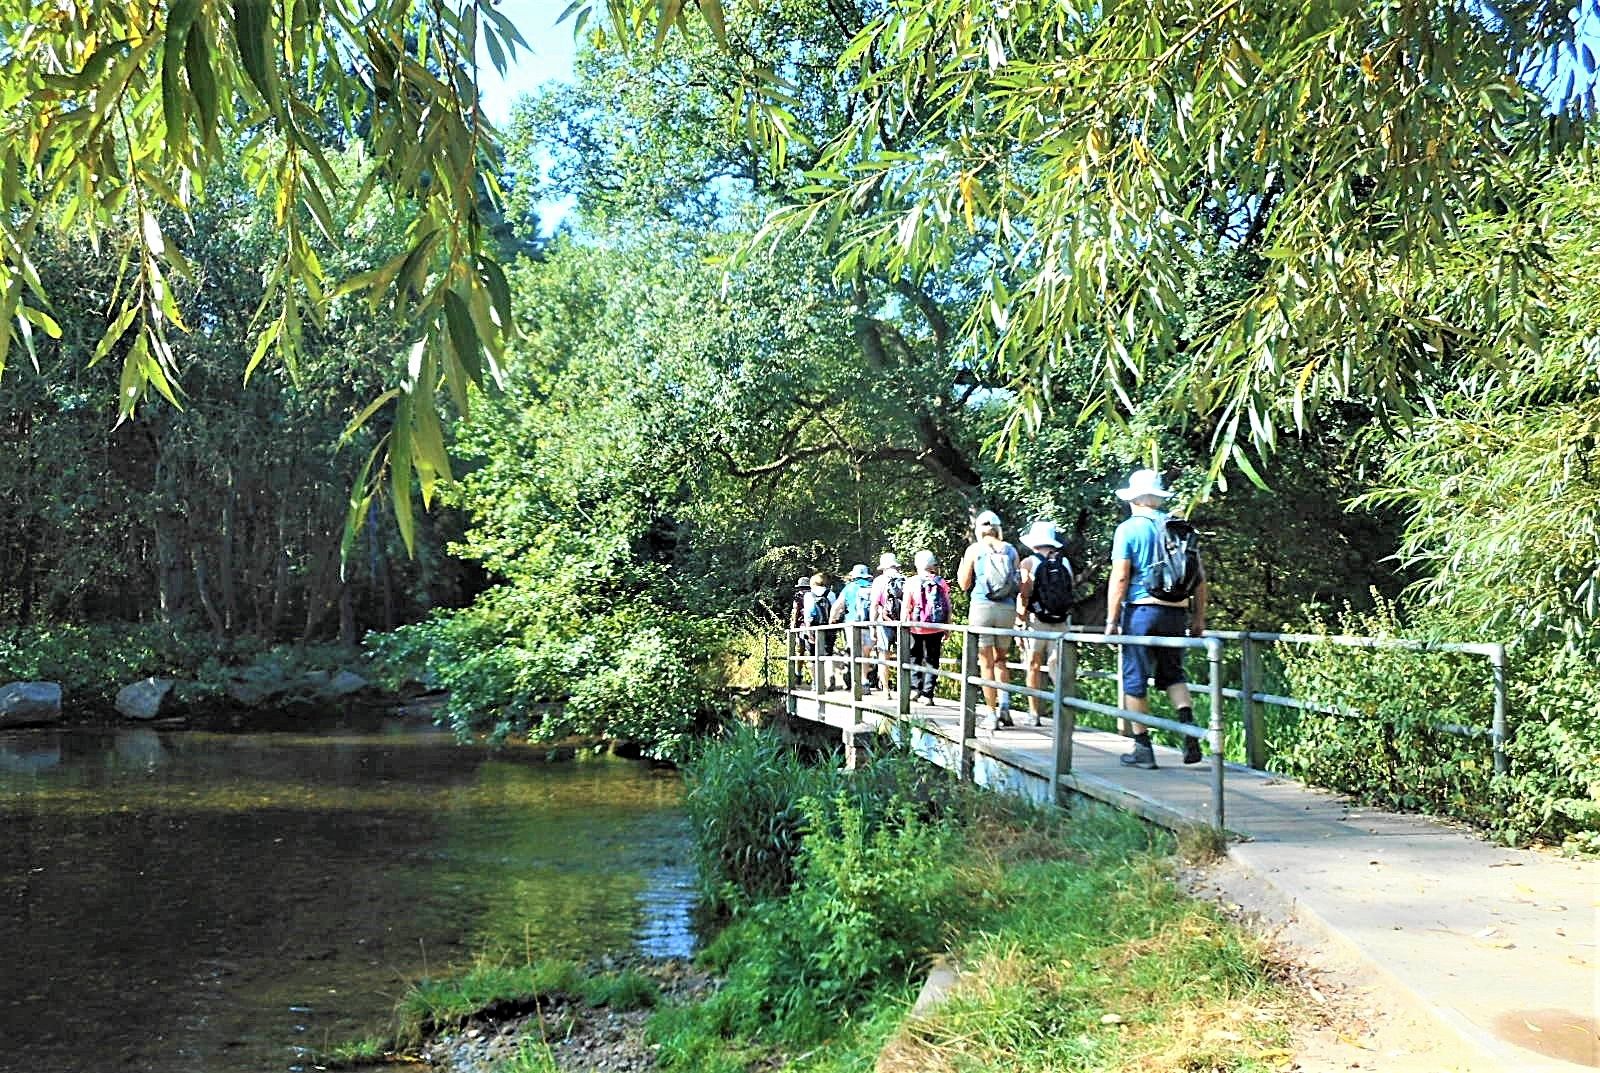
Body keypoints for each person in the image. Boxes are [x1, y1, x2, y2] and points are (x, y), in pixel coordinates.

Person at [1104, 469, 1208, 769]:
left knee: (1134, 678)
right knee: (1173, 673)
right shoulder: (1178, 528)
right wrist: (1198, 618)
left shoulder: (1128, 529)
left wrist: (1112, 620)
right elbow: (1200, 578)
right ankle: (1189, 732)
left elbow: (1121, 576)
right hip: (1176, 612)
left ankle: (1142, 747)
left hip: (1142, 611)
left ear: (1134, 499)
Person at [957, 509, 1022, 730]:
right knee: (1001, 659)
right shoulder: (1011, 550)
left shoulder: (974, 550)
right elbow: (1017, 583)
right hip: (1007, 609)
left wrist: (962, 567)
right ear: (998, 528)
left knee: (986, 662)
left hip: (982, 607)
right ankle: (1005, 706)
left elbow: (964, 584)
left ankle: (991, 714)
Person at [1016, 520, 1074, 727]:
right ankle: (1062, 714)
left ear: (1034, 542)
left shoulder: (1028, 563)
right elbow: (1070, 589)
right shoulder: (1064, 563)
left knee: (1033, 665)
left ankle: (1034, 713)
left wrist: (1020, 619)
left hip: (1037, 621)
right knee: (1057, 667)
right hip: (1061, 621)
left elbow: (1024, 593)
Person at [904, 550, 951, 704]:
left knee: (915, 657)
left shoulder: (911, 582)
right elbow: (948, 606)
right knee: (932, 660)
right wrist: (947, 627)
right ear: (932, 564)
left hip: (916, 626)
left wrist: (903, 625)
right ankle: (928, 694)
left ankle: (915, 690)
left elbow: (906, 606)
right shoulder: (940, 582)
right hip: (936, 626)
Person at [831, 563, 877, 691]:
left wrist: (832, 620)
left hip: (852, 624)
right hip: (869, 624)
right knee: (866, 653)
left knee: (855, 652)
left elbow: (837, 606)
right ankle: (865, 680)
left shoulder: (849, 588)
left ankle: (855, 682)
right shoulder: (872, 586)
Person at [793, 572, 839, 689]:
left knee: (813, 656)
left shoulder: (809, 595)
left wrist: (809, 632)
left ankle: (816, 682)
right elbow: (835, 611)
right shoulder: (831, 594)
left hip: (813, 627)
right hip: (828, 628)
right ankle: (830, 677)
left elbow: (808, 615)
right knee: (828, 654)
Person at [868, 552, 905, 693]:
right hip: (902, 622)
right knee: (904, 656)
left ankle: (886, 690)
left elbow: (874, 605)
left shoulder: (879, 581)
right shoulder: (905, 579)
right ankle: (904, 688)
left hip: (885, 622)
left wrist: (872, 627)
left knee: (883, 654)